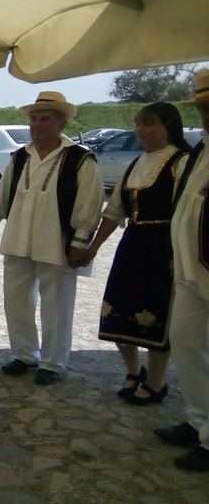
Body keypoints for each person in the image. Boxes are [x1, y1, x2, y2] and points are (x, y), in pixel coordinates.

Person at [0, 91, 103, 385]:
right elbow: (3, 195)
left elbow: (89, 202)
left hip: (56, 240)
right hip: (18, 237)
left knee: (56, 304)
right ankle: (24, 354)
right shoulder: (20, 156)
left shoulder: (79, 158)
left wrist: (80, 241)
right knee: (16, 300)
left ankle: (53, 362)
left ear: (61, 122)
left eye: (44, 119)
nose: (37, 125)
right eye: (33, 119)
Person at [86, 102, 190, 404]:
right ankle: (133, 370)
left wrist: (179, 254)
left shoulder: (181, 162)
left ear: (168, 126)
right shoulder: (135, 164)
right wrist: (94, 247)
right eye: (137, 123)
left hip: (164, 244)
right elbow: (114, 211)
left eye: (148, 123)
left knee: (157, 312)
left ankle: (157, 381)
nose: (140, 130)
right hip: (133, 243)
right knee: (117, 307)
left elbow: (188, 213)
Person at [154, 68, 209, 471]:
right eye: (202, 107)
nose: (205, 114)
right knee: (186, 342)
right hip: (191, 266)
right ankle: (199, 421)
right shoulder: (201, 149)